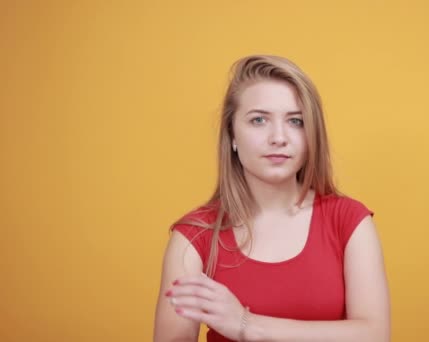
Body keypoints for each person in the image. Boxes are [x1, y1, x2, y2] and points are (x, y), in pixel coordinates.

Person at [153, 55, 390, 342]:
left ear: (311, 134)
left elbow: (374, 336)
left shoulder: (349, 221)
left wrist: (246, 325)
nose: (279, 137)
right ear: (232, 135)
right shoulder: (195, 236)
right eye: (259, 120)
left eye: (296, 121)